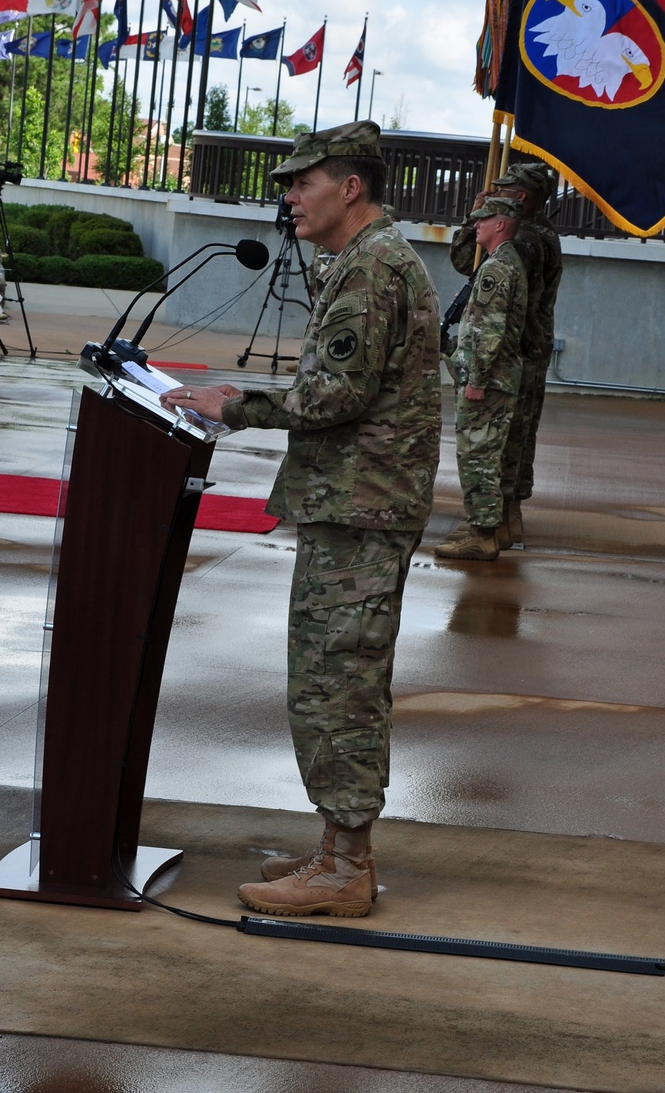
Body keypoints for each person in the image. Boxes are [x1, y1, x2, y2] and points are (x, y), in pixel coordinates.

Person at [161, 120, 442, 917]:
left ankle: (345, 867)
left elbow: (336, 395)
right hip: (355, 500)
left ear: (349, 187)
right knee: (332, 676)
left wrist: (236, 404)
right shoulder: (361, 261)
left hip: (362, 505)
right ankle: (336, 848)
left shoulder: (373, 267)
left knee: (338, 683)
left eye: (301, 182)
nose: (288, 197)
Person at [449, 161, 562, 547]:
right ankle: (504, 519)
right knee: (513, 436)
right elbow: (468, 261)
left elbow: (473, 268)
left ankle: (493, 522)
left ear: (521, 197)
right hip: (523, 347)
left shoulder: (527, 241)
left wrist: (480, 370)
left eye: (503, 190)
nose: (495, 192)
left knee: (500, 438)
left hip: (515, 349)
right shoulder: (533, 234)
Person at [435, 195, 527, 562]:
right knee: (485, 455)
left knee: (477, 457)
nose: (476, 225)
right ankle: (486, 527)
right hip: (495, 379)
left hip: (487, 383)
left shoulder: (496, 269)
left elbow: (489, 331)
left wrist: (476, 379)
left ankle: (482, 535)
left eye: (482, 219)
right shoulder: (504, 263)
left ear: (500, 224)